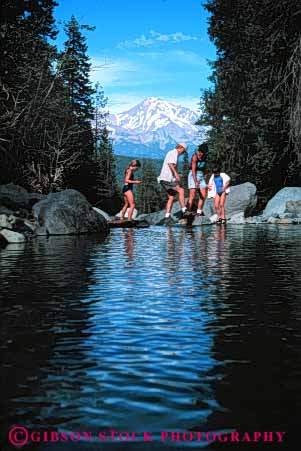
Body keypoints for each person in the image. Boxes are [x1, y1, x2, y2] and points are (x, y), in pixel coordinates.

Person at [157, 143, 189, 224]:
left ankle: (167, 216)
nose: (183, 153)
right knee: (181, 190)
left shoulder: (172, 153)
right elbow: (170, 164)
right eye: (184, 151)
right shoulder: (174, 153)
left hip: (164, 179)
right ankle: (184, 210)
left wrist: (177, 174)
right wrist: (176, 174)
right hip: (167, 178)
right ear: (181, 148)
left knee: (171, 197)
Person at [187, 143, 208, 216]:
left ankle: (199, 212)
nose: (201, 154)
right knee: (192, 195)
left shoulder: (205, 156)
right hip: (193, 175)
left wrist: (205, 173)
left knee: (203, 195)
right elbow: (193, 170)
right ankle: (187, 211)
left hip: (201, 175)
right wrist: (195, 181)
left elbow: (205, 166)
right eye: (200, 152)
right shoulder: (195, 157)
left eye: (202, 152)